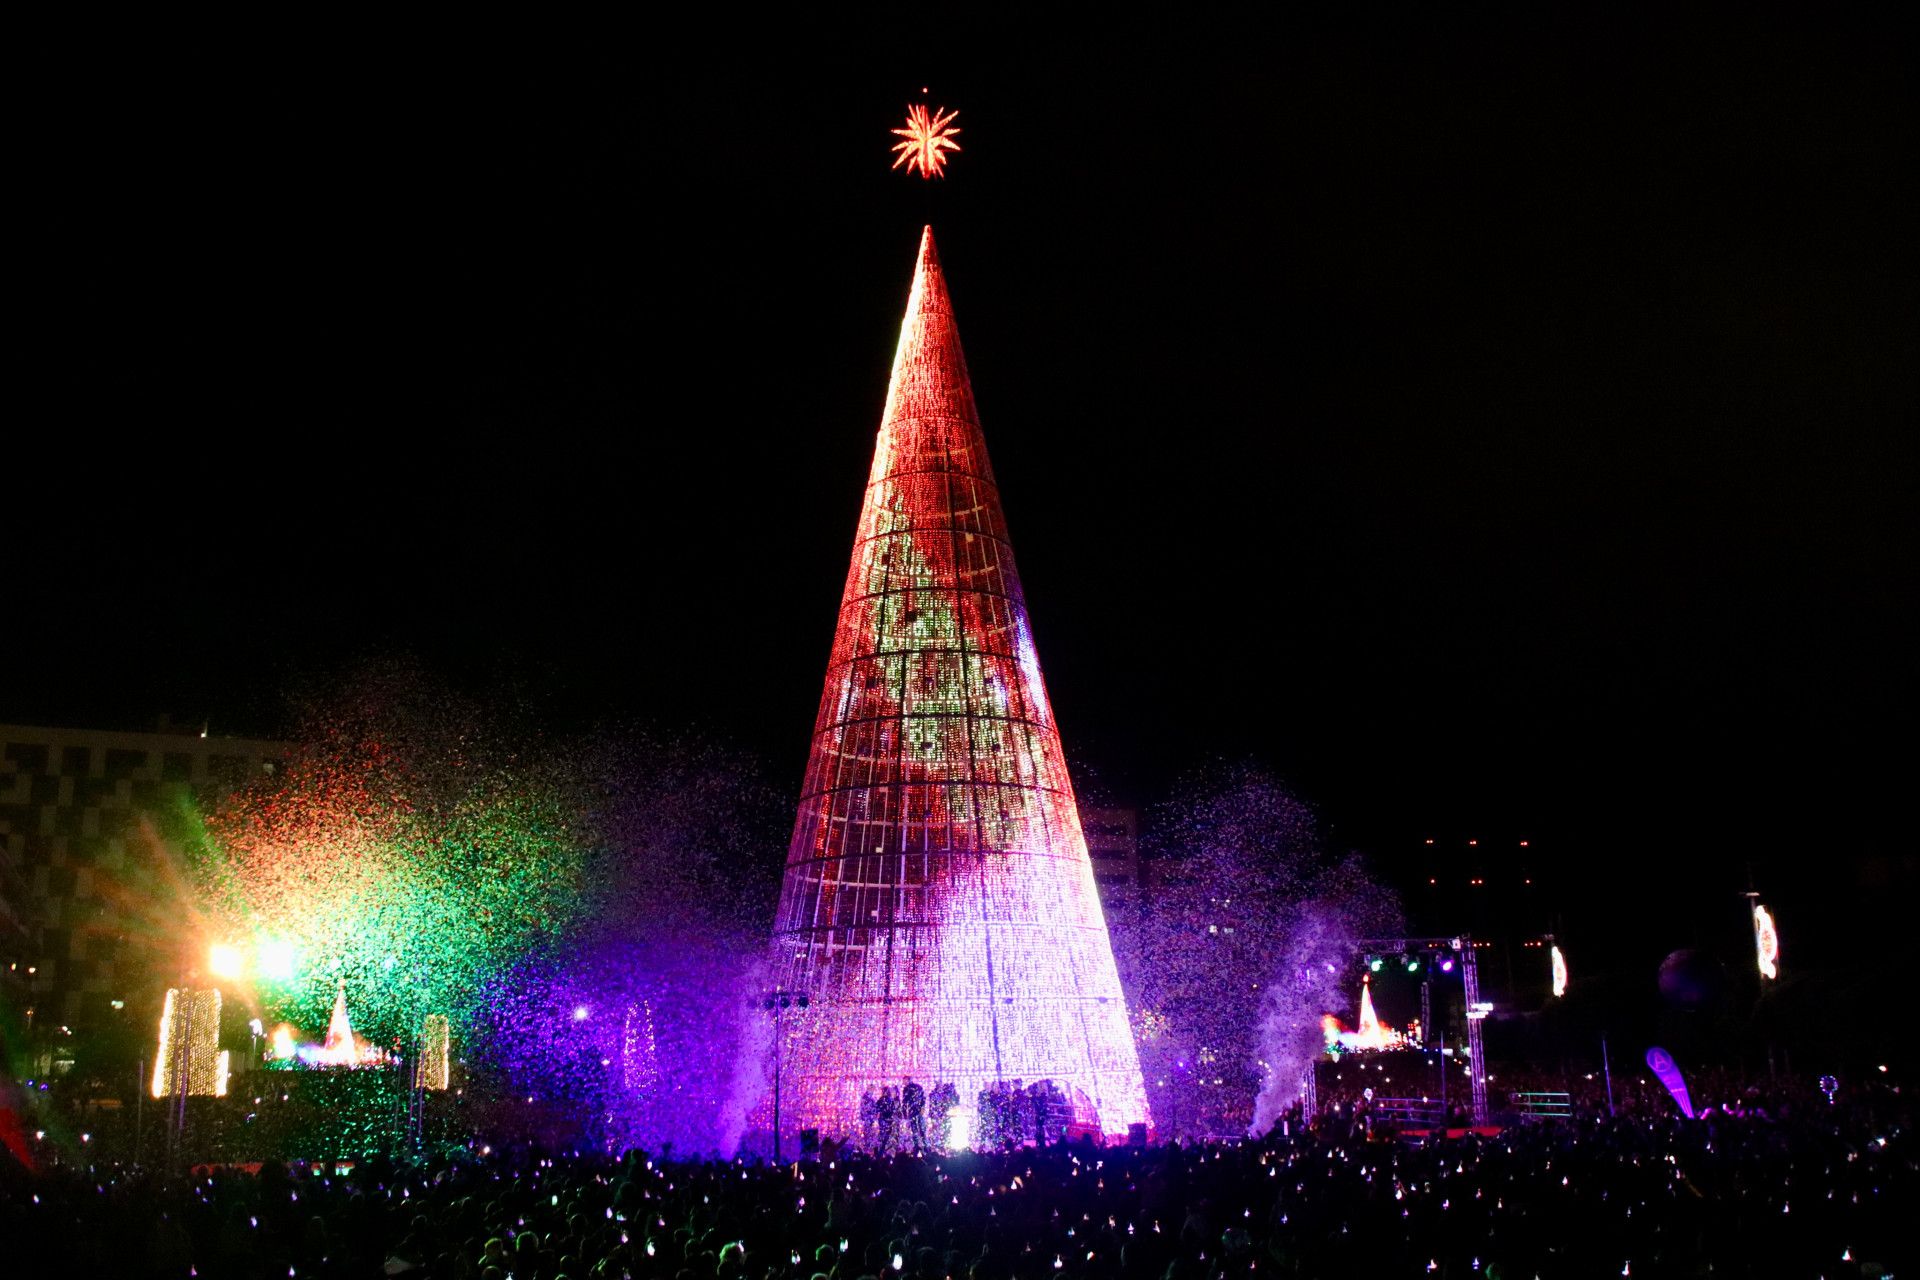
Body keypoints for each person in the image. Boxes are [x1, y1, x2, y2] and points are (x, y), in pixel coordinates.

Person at [902, 1078, 927, 1154]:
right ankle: (923, 1147)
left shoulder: (907, 1089)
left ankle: (918, 1146)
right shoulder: (918, 1087)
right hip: (917, 1111)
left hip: (913, 1111)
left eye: (904, 1081)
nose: (903, 1083)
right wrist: (922, 1107)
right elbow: (923, 1098)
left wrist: (905, 1114)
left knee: (915, 1129)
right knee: (920, 1129)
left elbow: (904, 1102)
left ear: (908, 1080)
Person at [876, 1085, 898, 1156]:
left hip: (882, 1120)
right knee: (887, 1136)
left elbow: (877, 1109)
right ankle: (886, 1151)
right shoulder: (891, 1100)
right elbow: (893, 1110)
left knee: (882, 1135)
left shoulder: (881, 1100)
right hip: (889, 1120)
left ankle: (881, 1152)